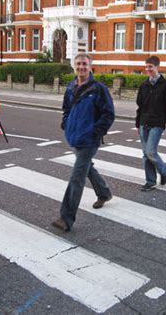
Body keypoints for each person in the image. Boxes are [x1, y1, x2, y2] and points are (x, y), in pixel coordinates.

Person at [52, 53, 115, 232]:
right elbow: (66, 109)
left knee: (77, 177)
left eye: (84, 64)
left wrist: (96, 132)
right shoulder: (71, 86)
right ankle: (104, 193)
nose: (81, 67)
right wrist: (66, 124)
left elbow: (108, 114)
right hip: (75, 136)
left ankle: (66, 218)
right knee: (87, 168)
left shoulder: (98, 88)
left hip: (89, 140)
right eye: (78, 64)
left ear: (90, 66)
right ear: (74, 66)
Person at [136, 55, 166, 191]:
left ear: (157, 67)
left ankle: (163, 170)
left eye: (150, 67)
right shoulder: (144, 85)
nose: (148, 69)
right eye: (146, 67)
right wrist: (137, 125)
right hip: (144, 122)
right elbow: (140, 107)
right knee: (146, 155)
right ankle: (150, 181)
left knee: (151, 152)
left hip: (157, 123)